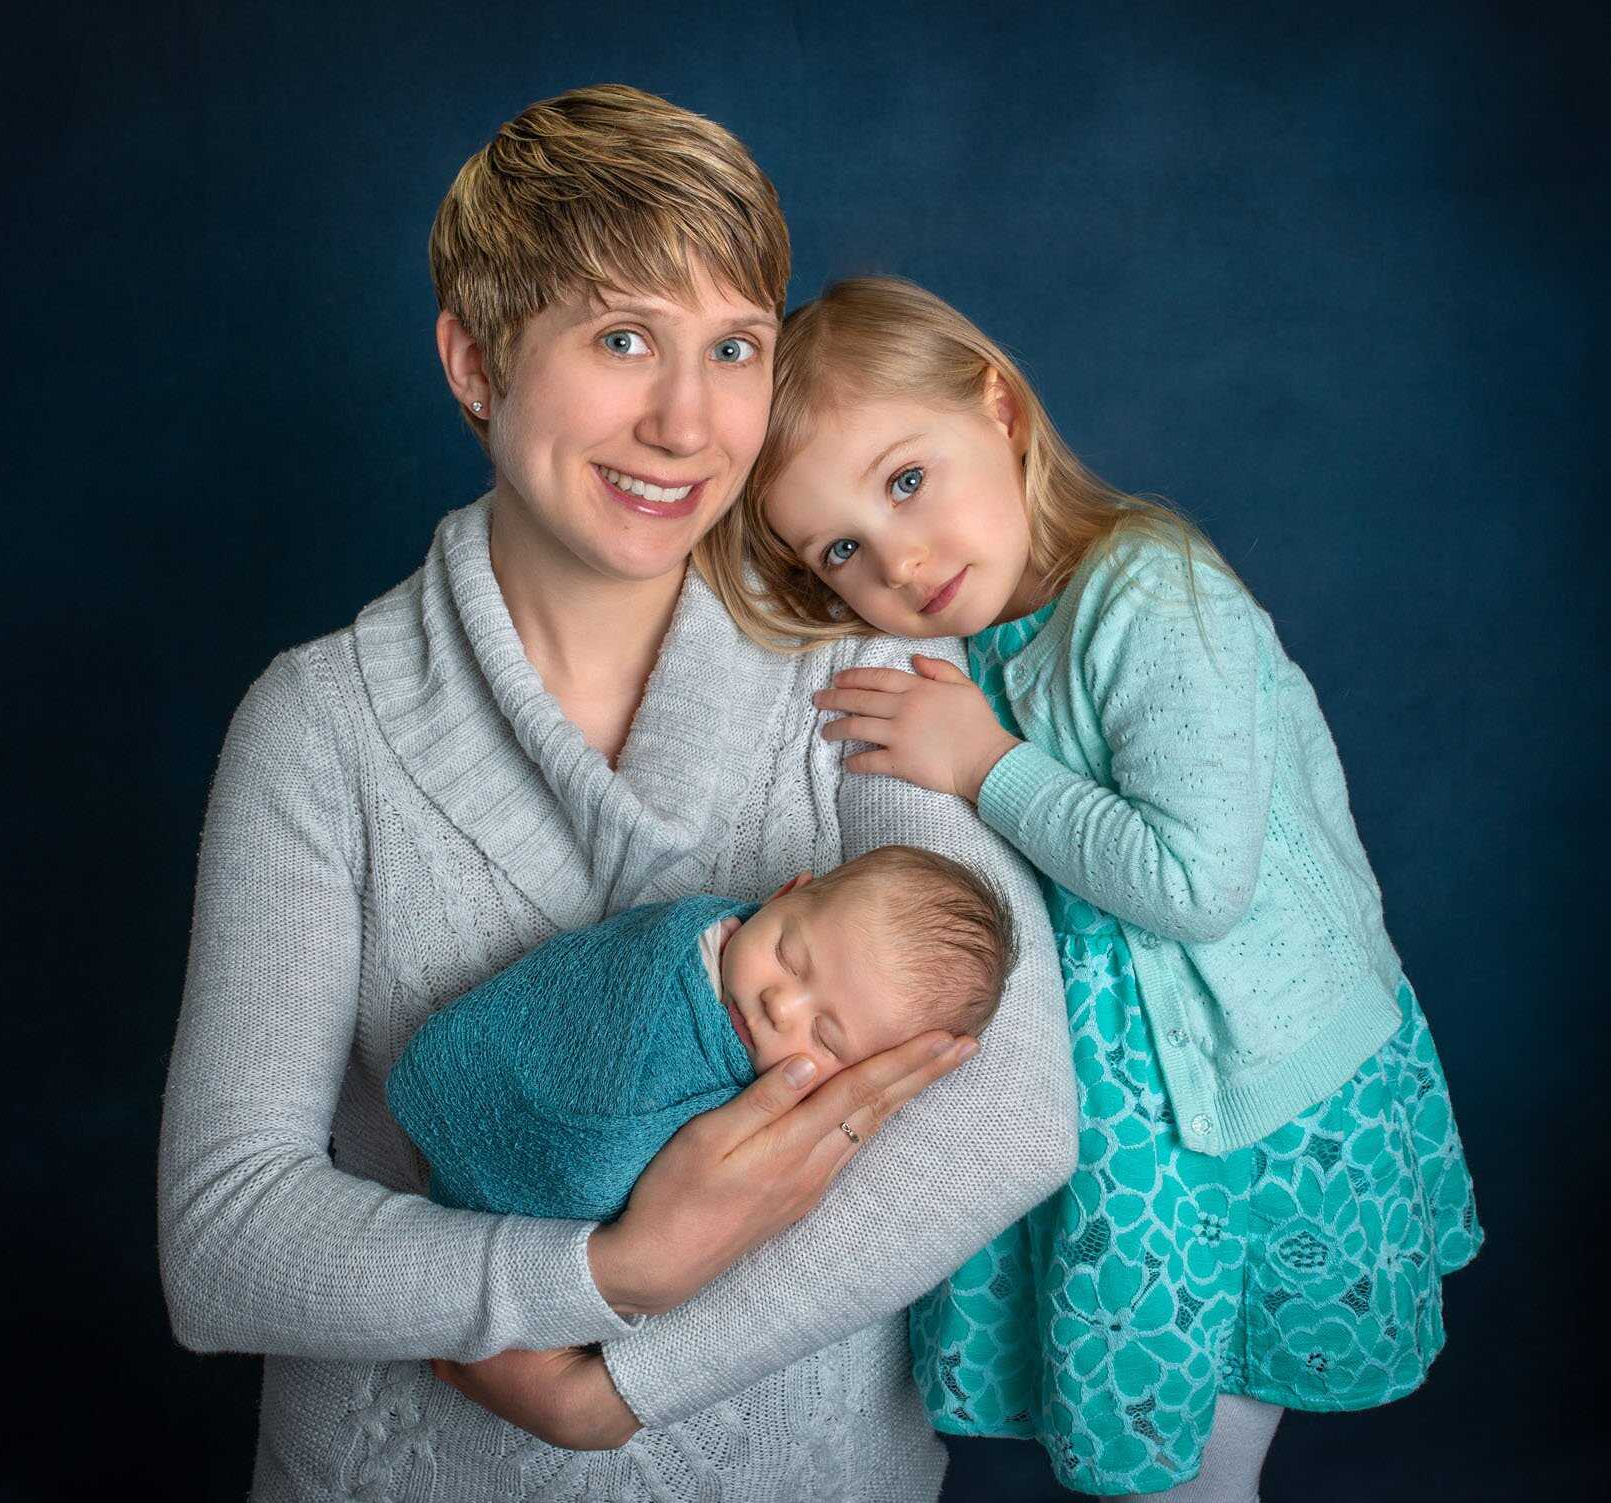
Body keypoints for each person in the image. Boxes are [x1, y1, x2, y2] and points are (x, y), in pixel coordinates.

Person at [156, 92, 1077, 1501]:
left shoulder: (869, 662)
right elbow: (226, 1240)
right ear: (476, 362)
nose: (687, 421)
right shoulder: (320, 728)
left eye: (734, 347)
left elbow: (1007, 1108)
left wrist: (629, 1375)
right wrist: (599, 1271)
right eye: (623, 337)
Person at [712, 276, 1484, 1501]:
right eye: (843, 549)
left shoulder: (1148, 593)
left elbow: (1192, 885)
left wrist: (985, 765)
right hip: (1134, 1132)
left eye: (907, 480)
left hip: (1251, 1110)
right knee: (1145, 1468)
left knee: (1197, 1470)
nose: (899, 562)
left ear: (1000, 407)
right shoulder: (969, 638)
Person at [389, 845, 1017, 1221]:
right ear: (785, 893)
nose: (779, 1003)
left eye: (825, 1038)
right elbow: (578, 985)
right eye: (789, 957)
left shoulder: (781, 1107)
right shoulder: (679, 943)